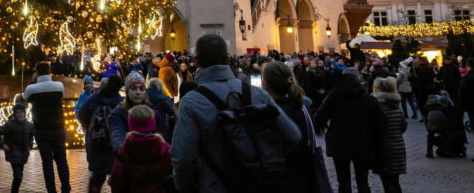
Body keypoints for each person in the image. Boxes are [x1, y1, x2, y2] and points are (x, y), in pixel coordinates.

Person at [171, 34, 301, 193]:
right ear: (227, 59)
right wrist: (268, 158)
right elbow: (293, 135)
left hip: (215, 184)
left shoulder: (191, 102)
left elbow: (183, 158)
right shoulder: (257, 94)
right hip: (259, 182)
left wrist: (184, 185)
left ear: (196, 62)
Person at [314, 67, 381, 193]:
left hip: (339, 142)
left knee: (343, 181)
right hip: (362, 143)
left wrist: (322, 129)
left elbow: (319, 117)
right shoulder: (368, 99)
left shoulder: (334, 97)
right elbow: (379, 124)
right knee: (363, 181)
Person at [261, 61, 323, 193]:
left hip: (280, 180)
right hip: (304, 176)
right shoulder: (302, 107)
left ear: (265, 83)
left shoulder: (269, 113)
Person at [23, 61, 71, 193]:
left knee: (47, 162)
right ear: (49, 71)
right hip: (58, 126)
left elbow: (25, 98)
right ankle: (66, 188)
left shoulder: (31, 89)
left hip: (41, 128)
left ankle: (51, 190)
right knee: (62, 160)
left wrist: (33, 81)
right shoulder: (59, 86)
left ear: (36, 72)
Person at [109, 105, 173, 193]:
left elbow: (117, 180)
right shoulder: (165, 149)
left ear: (131, 124)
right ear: (152, 123)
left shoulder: (125, 150)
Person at [76, 73, 122, 193]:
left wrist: (89, 127)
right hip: (114, 143)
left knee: (97, 176)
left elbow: (81, 114)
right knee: (116, 176)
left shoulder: (95, 98)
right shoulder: (120, 101)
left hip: (96, 142)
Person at [371, 77, 406, 193]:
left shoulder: (378, 107)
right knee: (395, 181)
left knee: (387, 182)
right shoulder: (397, 106)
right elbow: (403, 126)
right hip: (399, 147)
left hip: (384, 149)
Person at [0, 102, 34, 193]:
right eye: (17, 112)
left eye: (21, 112)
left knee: (20, 175)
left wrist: (29, 146)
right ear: (14, 114)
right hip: (13, 153)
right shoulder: (9, 125)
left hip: (24, 154)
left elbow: (31, 136)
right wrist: (2, 144)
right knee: (18, 176)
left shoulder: (29, 125)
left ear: (24, 112)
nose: (19, 114)